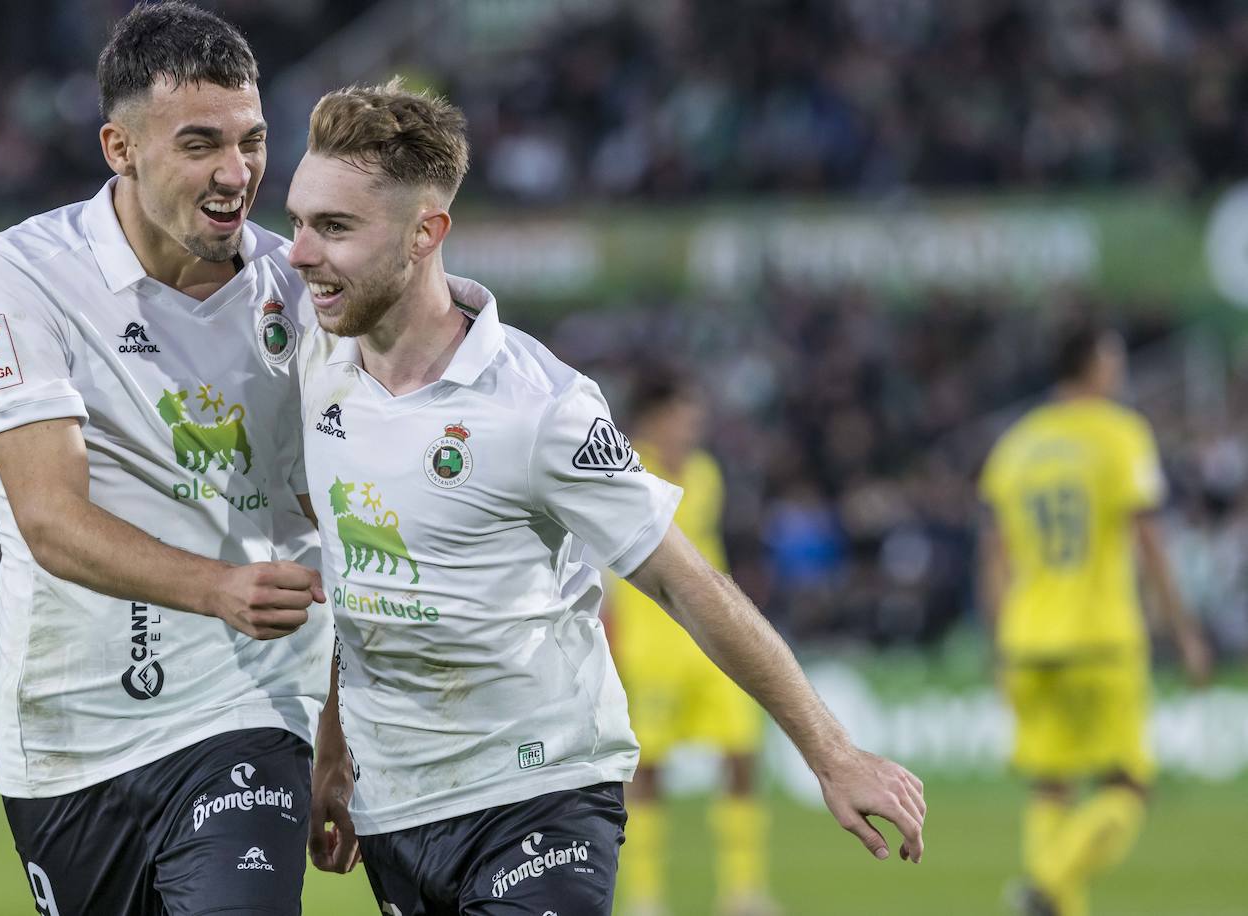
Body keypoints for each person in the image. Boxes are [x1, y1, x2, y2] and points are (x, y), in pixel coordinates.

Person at [288, 79, 925, 916]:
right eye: (297, 220)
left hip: (539, 796)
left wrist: (833, 753)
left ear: (425, 233)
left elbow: (684, 581)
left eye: (334, 228)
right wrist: (333, 751)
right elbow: (349, 581)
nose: (300, 252)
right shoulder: (315, 369)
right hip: (396, 805)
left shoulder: (542, 407)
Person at [0, 4, 333, 913]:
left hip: (249, 707)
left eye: (251, 141)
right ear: (119, 148)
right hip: (70, 733)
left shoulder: (305, 293)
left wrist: (340, 723)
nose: (235, 174)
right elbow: (49, 518)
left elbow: (349, 510)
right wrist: (218, 588)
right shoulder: (19, 276)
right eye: (199, 144)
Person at [979, 320, 1212, 916]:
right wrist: (1183, 630)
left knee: (1051, 785)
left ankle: (1049, 895)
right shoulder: (1120, 435)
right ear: (1095, 365)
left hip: (1029, 637)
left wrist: (1000, 642)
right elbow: (1149, 541)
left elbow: (994, 556)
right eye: (1115, 357)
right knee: (1129, 787)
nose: (1122, 368)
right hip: (1101, 638)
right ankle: (1044, 888)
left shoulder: (1017, 444)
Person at [604, 368, 775, 916]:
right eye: (682, 415)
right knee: (649, 770)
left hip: (712, 646)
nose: (692, 426)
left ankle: (742, 893)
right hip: (650, 647)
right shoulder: (623, 469)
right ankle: (646, 899)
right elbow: (606, 565)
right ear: (653, 418)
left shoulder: (706, 473)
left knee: (743, 756)